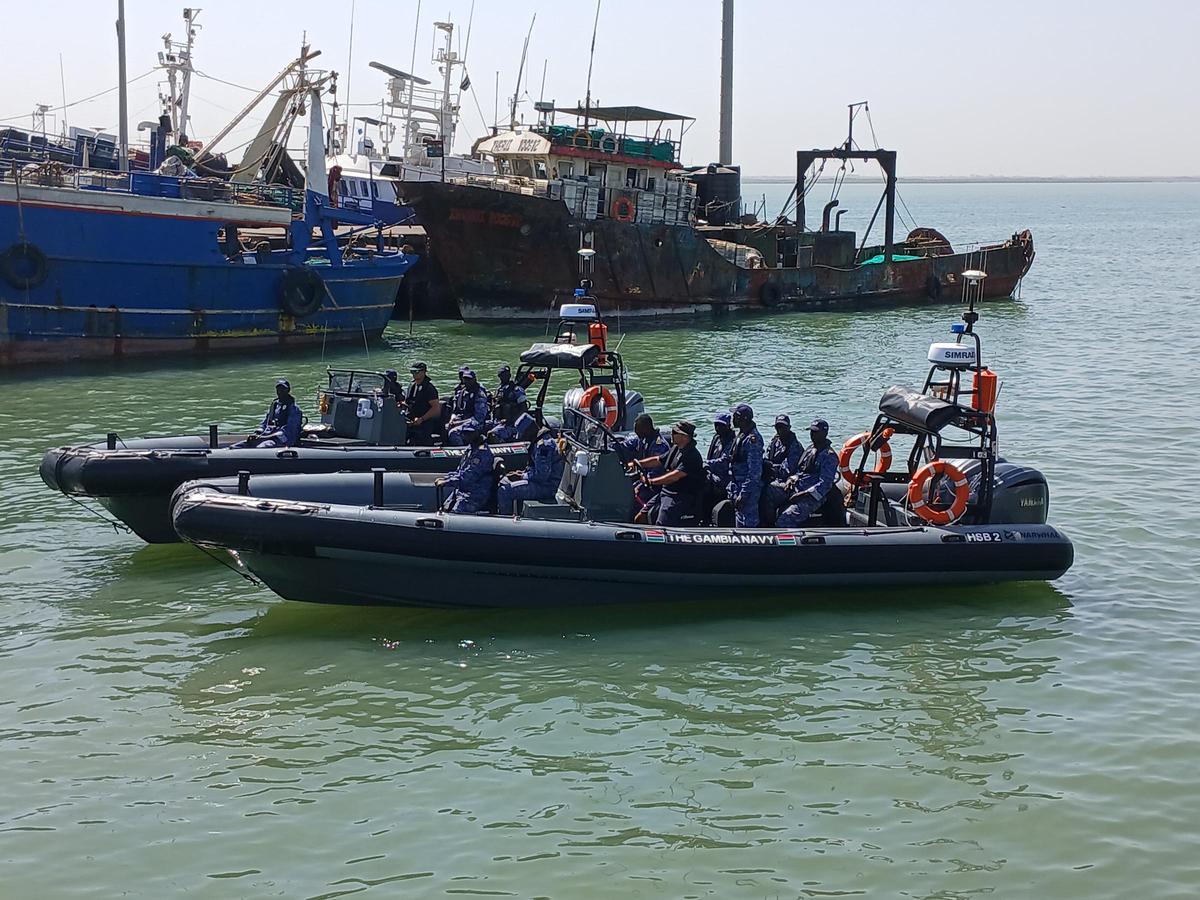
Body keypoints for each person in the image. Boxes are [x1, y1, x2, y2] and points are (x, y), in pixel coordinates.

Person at [637, 421, 707, 526]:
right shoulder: (676, 448)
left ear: (685, 437)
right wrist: (637, 464)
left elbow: (675, 476)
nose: (671, 434)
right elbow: (658, 459)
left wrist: (651, 481)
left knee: (662, 524)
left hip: (678, 496)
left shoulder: (692, 456)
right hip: (665, 492)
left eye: (675, 432)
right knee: (641, 517)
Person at [777, 419, 840, 527]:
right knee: (768, 492)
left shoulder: (829, 456)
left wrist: (803, 494)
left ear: (824, 433)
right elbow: (800, 470)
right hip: (797, 487)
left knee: (786, 518)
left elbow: (825, 484)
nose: (812, 435)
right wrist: (791, 479)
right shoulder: (810, 450)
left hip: (812, 496)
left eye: (816, 432)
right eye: (811, 432)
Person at [497, 414, 564, 514]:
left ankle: (506, 522)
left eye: (524, 434)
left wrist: (522, 476)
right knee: (504, 481)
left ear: (530, 430)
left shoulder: (543, 446)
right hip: (541, 482)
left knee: (505, 491)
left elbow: (542, 475)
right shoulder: (538, 442)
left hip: (547, 487)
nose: (524, 437)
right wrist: (522, 473)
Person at [617, 413, 671, 521]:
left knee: (632, 499)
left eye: (637, 429)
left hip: (654, 486)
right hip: (642, 481)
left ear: (646, 428)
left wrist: (640, 486)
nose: (636, 432)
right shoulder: (643, 439)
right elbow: (628, 445)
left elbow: (655, 474)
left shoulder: (659, 446)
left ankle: (630, 521)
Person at [436, 424, 495, 513]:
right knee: (444, 509)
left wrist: (448, 482)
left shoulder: (482, 453)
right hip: (462, 491)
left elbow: (468, 477)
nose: (465, 436)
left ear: (477, 433)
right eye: (464, 433)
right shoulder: (470, 449)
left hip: (475, 495)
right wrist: (446, 478)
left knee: (454, 515)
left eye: (469, 433)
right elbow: (460, 471)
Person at [232, 379, 303, 448]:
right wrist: (258, 433)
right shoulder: (275, 406)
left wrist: (267, 437)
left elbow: (290, 430)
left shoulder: (294, 409)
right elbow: (265, 423)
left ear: (288, 390)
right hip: (268, 435)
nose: (280, 391)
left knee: (261, 447)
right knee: (239, 445)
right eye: (278, 389)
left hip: (281, 439)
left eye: (283, 389)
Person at [728, 403, 764, 527]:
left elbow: (755, 471)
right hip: (736, 484)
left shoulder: (753, 439)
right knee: (739, 519)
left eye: (736, 416)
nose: (733, 418)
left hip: (747, 488)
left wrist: (744, 493)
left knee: (748, 522)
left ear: (743, 419)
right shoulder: (742, 435)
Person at [764, 413, 805, 516]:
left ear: (789, 427)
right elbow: (766, 457)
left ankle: (769, 523)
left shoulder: (794, 446)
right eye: (778, 426)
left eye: (783, 427)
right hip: (773, 477)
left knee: (767, 490)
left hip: (788, 483)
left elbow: (787, 470)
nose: (780, 429)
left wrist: (770, 467)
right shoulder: (775, 442)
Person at [446, 367, 490, 446]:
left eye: (469, 379)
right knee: (445, 428)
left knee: (454, 433)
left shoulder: (479, 394)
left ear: (474, 380)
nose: (467, 381)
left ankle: (463, 451)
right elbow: (456, 411)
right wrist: (452, 419)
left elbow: (479, 418)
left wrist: (459, 423)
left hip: (476, 423)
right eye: (465, 379)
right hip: (463, 419)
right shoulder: (461, 393)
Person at [488, 365, 529, 442]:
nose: (505, 377)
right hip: (497, 421)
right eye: (502, 375)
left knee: (493, 434)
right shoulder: (499, 389)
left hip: (512, 424)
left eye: (506, 374)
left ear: (510, 375)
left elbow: (524, 409)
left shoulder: (516, 390)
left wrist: (510, 420)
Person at [403, 362, 440, 445]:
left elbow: (436, 408)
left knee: (421, 438)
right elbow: (408, 402)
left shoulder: (429, 388)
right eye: (412, 372)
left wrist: (422, 419)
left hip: (424, 423)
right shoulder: (411, 386)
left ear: (423, 372)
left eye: (416, 372)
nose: (414, 374)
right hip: (410, 420)